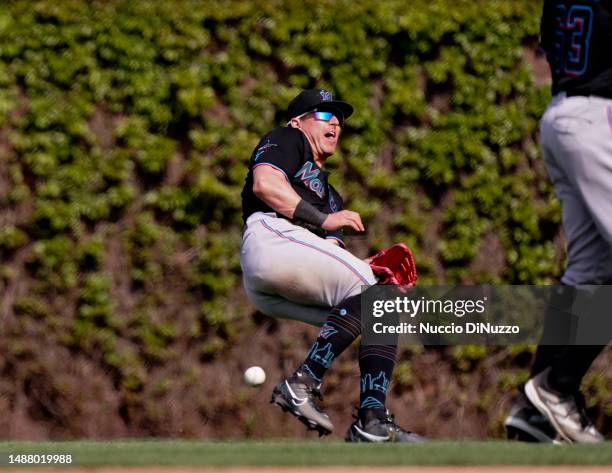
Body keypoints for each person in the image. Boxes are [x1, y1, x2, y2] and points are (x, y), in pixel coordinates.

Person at [240, 88, 423, 442]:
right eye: (323, 115)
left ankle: (372, 422)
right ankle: (303, 384)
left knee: (377, 309)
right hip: (271, 238)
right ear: (298, 121)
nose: (335, 122)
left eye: (338, 118)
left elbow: (331, 256)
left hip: (277, 273)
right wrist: (323, 221)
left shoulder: (330, 196)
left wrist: (368, 267)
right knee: (376, 297)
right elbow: (265, 184)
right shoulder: (288, 138)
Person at [505, 0, 611, 444]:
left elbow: (552, 44)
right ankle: (557, 386)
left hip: (562, 116)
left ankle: (534, 408)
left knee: (590, 271)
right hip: (598, 118)